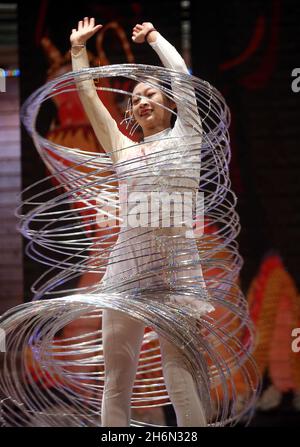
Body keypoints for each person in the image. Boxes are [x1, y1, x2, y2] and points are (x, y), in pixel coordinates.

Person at [70, 17, 211, 427]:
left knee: (180, 378)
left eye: (150, 93)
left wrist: (153, 38)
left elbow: (182, 78)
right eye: (134, 99)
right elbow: (90, 101)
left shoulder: (188, 136)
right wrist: (78, 53)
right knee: (117, 378)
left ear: (169, 106)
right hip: (126, 268)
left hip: (177, 267)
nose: (141, 101)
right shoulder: (123, 150)